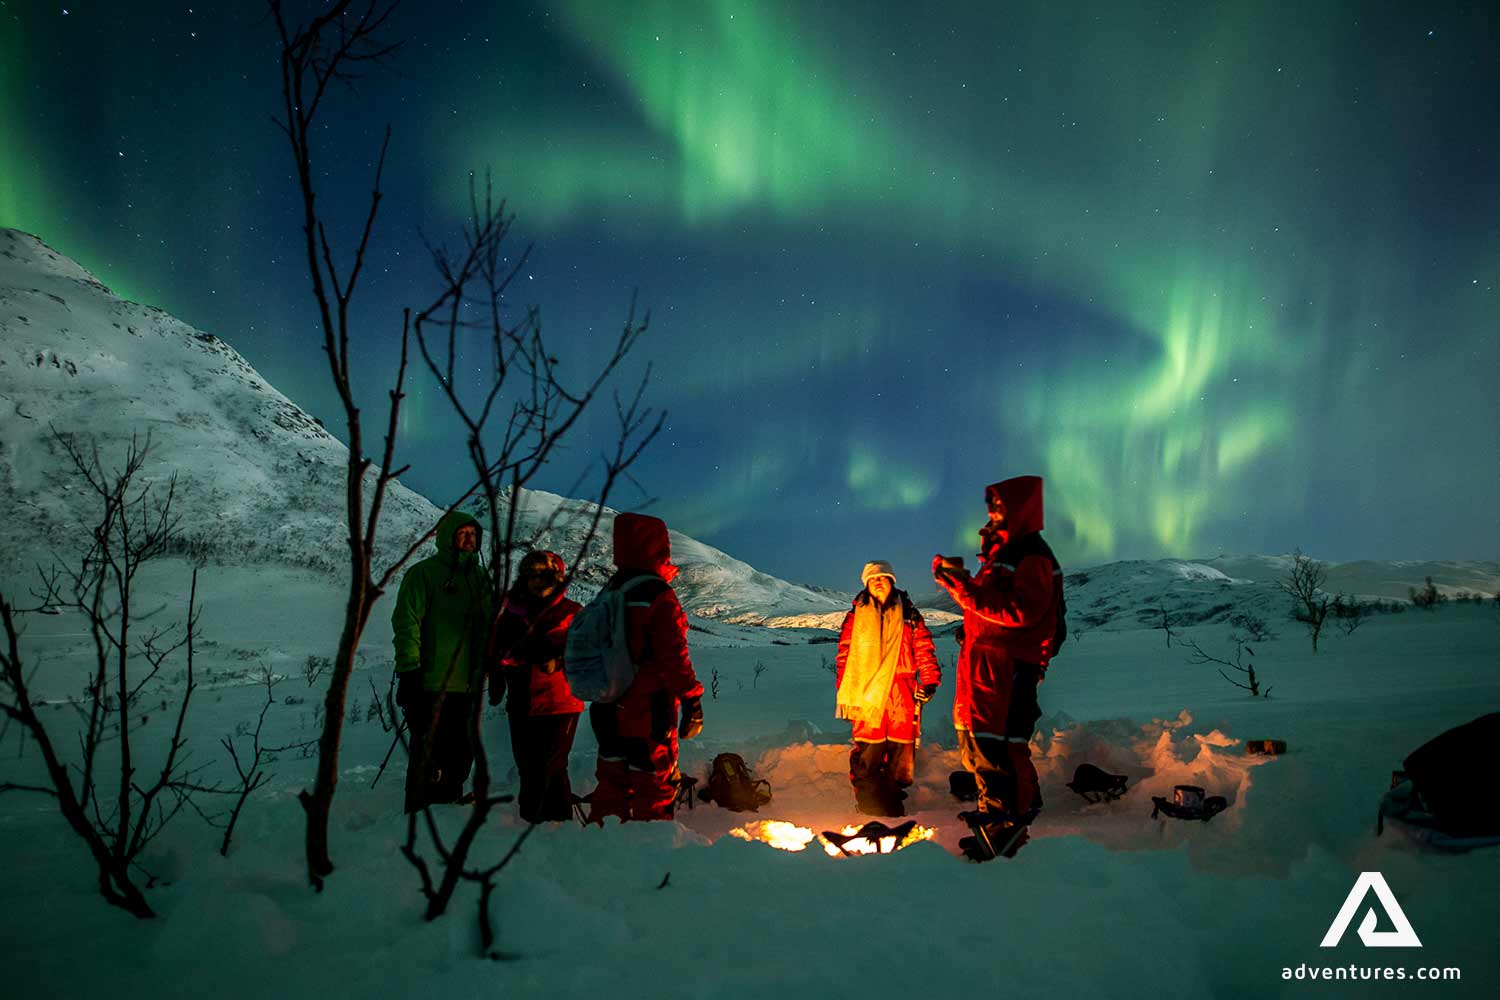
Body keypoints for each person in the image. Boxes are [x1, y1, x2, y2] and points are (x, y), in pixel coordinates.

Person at [934, 475, 1062, 860]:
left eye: (999, 507)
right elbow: (997, 609)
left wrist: (962, 589)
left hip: (1007, 668)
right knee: (980, 744)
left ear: (1019, 509)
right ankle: (998, 822)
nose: (991, 514)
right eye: (991, 507)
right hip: (988, 663)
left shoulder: (1030, 555)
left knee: (996, 747)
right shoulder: (1005, 553)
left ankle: (1005, 835)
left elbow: (1022, 612)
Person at [586, 513, 705, 822]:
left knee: (612, 777)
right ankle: (652, 844)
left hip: (606, 705)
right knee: (653, 779)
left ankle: (604, 838)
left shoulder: (610, 590)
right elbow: (673, 656)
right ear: (658, 546)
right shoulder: (656, 594)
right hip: (647, 708)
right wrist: (692, 700)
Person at [391, 510, 493, 813]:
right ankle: (420, 812)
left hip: (469, 684)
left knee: (461, 754)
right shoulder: (424, 574)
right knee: (429, 754)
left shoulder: (480, 579)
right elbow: (406, 623)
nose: (469, 539)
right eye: (462, 534)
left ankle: (448, 808)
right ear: (448, 537)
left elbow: (489, 627)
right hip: (430, 682)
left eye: (473, 534)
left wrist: (494, 667)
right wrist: (409, 670)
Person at [835, 560, 941, 817]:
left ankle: (893, 804)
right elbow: (845, 655)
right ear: (866, 584)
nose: (878, 582)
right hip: (866, 690)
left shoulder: (909, 614)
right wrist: (845, 692)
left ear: (892, 581)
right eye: (873, 579)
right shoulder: (855, 616)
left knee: (900, 752)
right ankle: (869, 804)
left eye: (883, 577)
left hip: (902, 689)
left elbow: (923, 648)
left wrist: (929, 681)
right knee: (868, 751)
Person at [487, 550, 584, 823]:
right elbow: (497, 649)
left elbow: (588, 653)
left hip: (558, 703)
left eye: (545, 574)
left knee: (548, 767)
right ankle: (542, 825)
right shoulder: (511, 613)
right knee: (529, 767)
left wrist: (559, 661)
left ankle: (547, 824)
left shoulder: (571, 613)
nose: (538, 580)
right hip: (521, 700)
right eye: (533, 574)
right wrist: (498, 674)